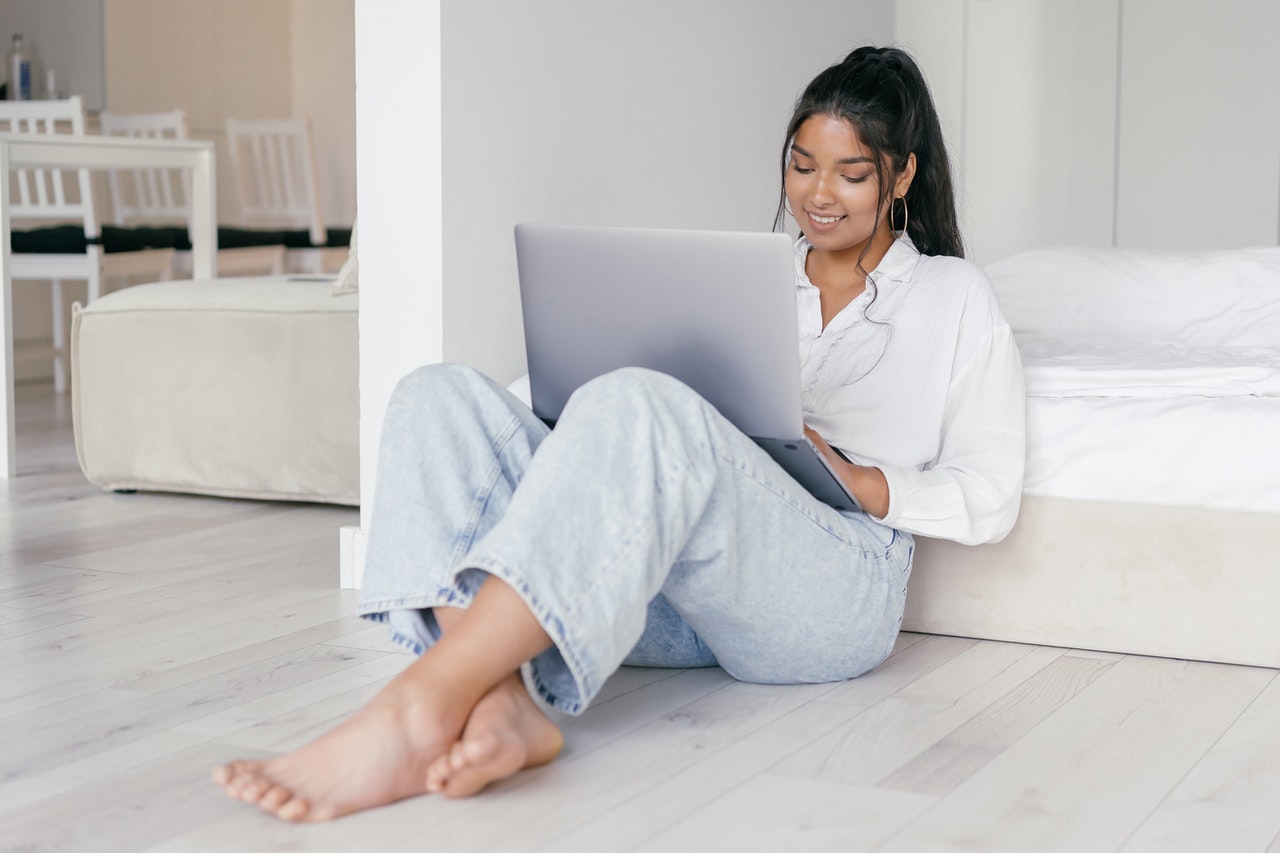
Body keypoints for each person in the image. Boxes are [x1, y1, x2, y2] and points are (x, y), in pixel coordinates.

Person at [212, 44, 1025, 822]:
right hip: (666, 588)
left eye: (851, 174)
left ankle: (420, 704)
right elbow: (577, 411)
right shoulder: (752, 279)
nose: (818, 194)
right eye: (801, 165)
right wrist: (550, 420)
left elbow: (991, 495)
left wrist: (859, 479)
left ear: (902, 175)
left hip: (830, 589)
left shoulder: (953, 296)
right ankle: (502, 707)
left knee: (647, 403)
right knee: (437, 399)